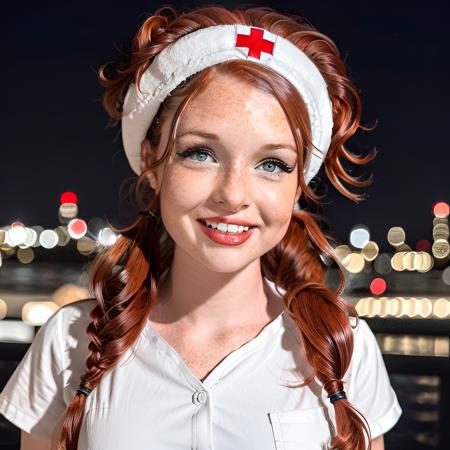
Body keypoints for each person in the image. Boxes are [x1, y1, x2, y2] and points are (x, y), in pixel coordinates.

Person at [0, 4, 402, 450]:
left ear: (297, 185)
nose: (233, 195)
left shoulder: (343, 348)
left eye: (271, 164)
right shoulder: (72, 341)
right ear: (153, 160)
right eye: (200, 153)